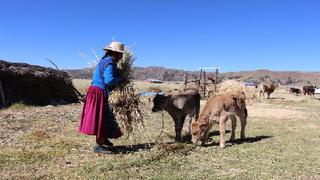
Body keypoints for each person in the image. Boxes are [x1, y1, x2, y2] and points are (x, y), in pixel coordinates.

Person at [78, 41, 125, 153]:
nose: (121, 56)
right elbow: (109, 80)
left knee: (105, 116)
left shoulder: (106, 61)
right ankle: (98, 146)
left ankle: (103, 138)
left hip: (96, 91)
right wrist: (121, 79)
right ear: (114, 53)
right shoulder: (109, 63)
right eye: (120, 53)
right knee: (102, 117)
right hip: (99, 93)